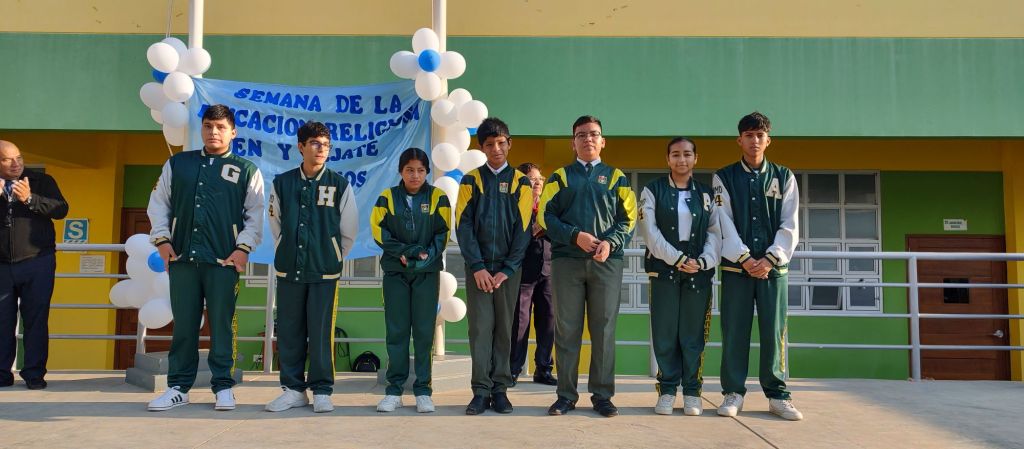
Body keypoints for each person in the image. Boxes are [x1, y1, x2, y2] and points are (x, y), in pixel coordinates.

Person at [146, 104, 265, 412]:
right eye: (209, 126)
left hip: (223, 263)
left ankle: (223, 387)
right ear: (201, 129)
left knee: (222, 326)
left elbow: (255, 215)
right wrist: (162, 240)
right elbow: (158, 204)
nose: (214, 132)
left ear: (233, 132)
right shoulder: (178, 164)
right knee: (184, 326)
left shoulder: (246, 169)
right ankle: (178, 387)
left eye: (221, 127)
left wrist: (242, 248)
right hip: (183, 260)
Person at [539, 115, 637, 417]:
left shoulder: (617, 177)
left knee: (604, 330)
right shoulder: (560, 177)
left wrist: (611, 242)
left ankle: (602, 396)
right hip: (567, 262)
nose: (588, 139)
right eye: (581, 135)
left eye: (594, 134)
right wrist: (574, 236)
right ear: (573, 142)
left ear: (603, 141)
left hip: (606, 263)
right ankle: (566, 395)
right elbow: (545, 216)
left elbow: (629, 218)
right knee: (567, 330)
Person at [713, 111, 803, 421]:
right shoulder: (723, 177)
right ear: (739, 140)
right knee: (734, 331)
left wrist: (770, 258)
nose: (754, 141)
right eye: (749, 135)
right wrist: (744, 258)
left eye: (759, 135)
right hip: (736, 269)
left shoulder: (784, 176)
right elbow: (722, 221)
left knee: (774, 331)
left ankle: (777, 395)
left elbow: (790, 222)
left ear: (768, 140)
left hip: (773, 270)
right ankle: (733, 392)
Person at [265, 121, 358, 414]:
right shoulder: (282, 183)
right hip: (289, 270)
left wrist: (331, 254)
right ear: (301, 147)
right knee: (289, 332)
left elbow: (349, 230)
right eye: (315, 143)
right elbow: (275, 223)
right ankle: (293, 390)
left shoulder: (339, 184)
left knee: (321, 333)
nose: (321, 149)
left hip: (324, 271)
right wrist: (286, 248)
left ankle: (322, 390)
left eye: (326, 145)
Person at [638, 137, 721, 416]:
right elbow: (650, 233)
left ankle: (692, 392)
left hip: (698, 272)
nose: (681, 159)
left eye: (687, 154)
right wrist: (677, 259)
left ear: (696, 158)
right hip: (664, 270)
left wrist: (703, 261)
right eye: (675, 154)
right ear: (667, 159)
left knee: (693, 334)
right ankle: (667, 390)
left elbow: (715, 231)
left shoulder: (706, 194)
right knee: (664, 333)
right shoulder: (652, 190)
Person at [455, 117, 532, 415]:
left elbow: (523, 230)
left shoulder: (521, 183)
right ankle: (480, 390)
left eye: (501, 143)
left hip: (507, 271)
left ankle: (500, 389)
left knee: (504, 329)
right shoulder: (470, 181)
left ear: (509, 144)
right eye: (489, 144)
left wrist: (507, 269)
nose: (496, 149)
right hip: (478, 271)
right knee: (480, 329)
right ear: (482, 148)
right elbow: (463, 226)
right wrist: (477, 266)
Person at [371, 147, 451, 414]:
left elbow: (442, 235)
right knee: (397, 332)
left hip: (426, 274)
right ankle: (394, 391)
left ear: (427, 171)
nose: (415, 175)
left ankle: (423, 391)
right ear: (400, 171)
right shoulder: (387, 198)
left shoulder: (438, 197)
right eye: (409, 170)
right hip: (396, 273)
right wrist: (405, 253)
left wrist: (420, 260)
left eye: (420, 170)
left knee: (424, 333)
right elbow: (378, 232)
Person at [0, 140, 69, 390]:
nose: (15, 163)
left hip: (37, 261)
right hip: (2, 266)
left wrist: (29, 199)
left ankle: (34, 374)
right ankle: (2, 374)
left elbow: (61, 209)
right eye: (7, 159)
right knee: (2, 321)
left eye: (18, 157)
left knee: (36, 319)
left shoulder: (41, 181)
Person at [510, 162, 556, 387]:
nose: (537, 182)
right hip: (523, 270)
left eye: (540, 178)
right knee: (520, 322)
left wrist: (547, 226)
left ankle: (544, 369)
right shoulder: (515, 205)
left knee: (548, 320)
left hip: (548, 269)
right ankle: (513, 369)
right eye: (531, 179)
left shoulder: (551, 205)